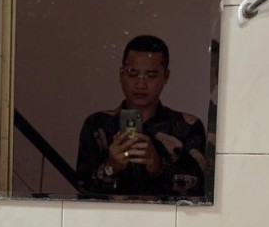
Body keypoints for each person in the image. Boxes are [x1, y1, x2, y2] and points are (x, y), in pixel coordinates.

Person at [76, 35, 206, 198]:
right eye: (133, 74)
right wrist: (111, 167)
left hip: (168, 216)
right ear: (121, 75)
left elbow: (201, 190)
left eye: (151, 75)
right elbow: (82, 188)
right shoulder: (99, 124)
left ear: (165, 76)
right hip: (110, 214)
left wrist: (158, 166)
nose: (141, 84)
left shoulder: (187, 127)